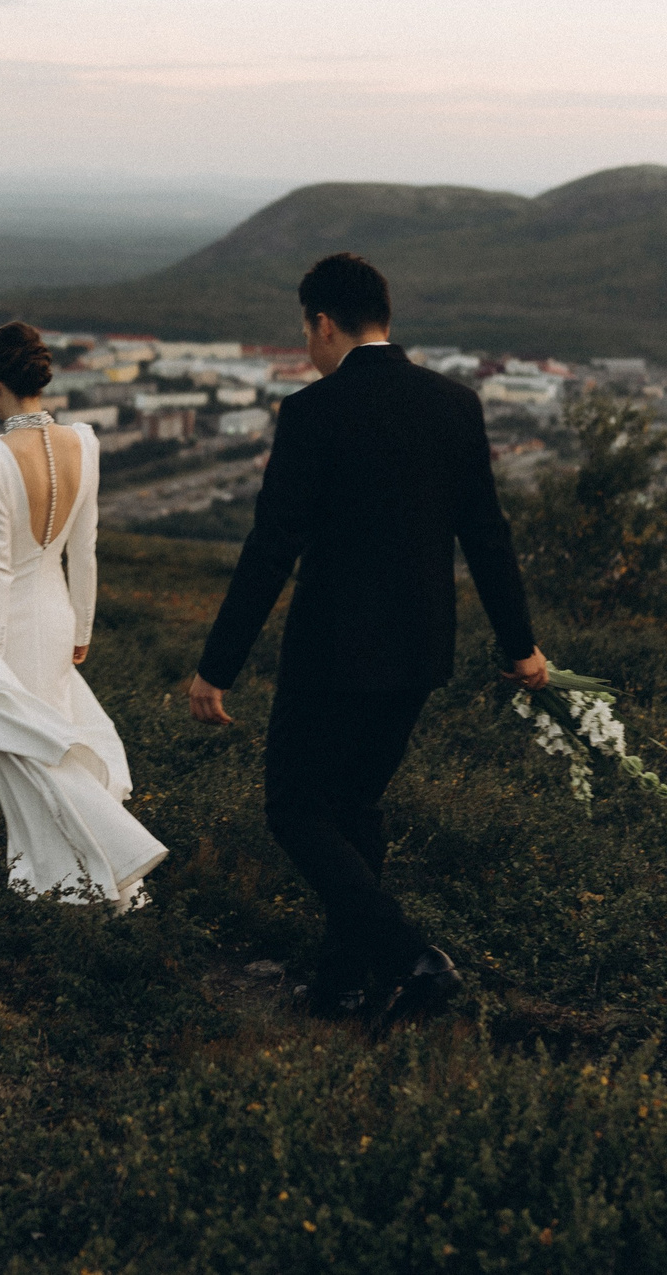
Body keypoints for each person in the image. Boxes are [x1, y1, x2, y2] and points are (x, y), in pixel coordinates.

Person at [186, 253, 547, 1021]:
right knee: (355, 808)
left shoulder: (312, 412)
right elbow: (487, 535)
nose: (307, 346)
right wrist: (521, 645)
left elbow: (271, 547)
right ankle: (341, 986)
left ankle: (410, 956)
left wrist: (217, 666)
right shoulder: (456, 403)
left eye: (305, 330)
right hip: (419, 651)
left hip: (330, 653)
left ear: (323, 323)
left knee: (293, 807)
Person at [0, 322, 168, 906]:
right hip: (56, 613)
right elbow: (83, 552)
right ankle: (79, 874)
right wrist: (83, 629)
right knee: (50, 743)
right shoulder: (84, 444)